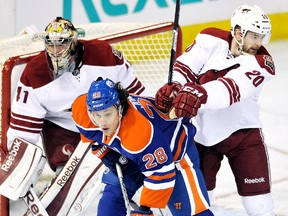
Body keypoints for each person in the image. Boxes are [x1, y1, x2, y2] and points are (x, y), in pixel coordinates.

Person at [4, 17, 147, 213]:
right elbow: (22, 131)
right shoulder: (34, 73)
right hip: (64, 127)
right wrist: (18, 165)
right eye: (51, 45)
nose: (55, 51)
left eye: (61, 44)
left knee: (127, 168)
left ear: (74, 42)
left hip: (107, 122)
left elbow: (138, 97)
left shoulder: (104, 55)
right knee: (69, 187)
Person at [155, 4, 275, 216]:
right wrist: (175, 86)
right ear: (239, 32)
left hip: (243, 137)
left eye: (261, 37)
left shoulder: (262, 64)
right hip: (203, 137)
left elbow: (229, 91)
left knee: (259, 207)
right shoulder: (210, 39)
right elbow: (186, 66)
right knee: (200, 200)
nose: (259, 43)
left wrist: (197, 93)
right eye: (254, 36)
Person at [71, 78, 214, 216]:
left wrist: (144, 209)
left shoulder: (138, 133)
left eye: (107, 114)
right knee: (110, 205)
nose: (102, 122)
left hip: (174, 153)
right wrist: (107, 154)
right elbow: (94, 136)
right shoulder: (80, 110)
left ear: (119, 109)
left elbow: (162, 172)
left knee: (193, 213)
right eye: (97, 115)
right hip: (135, 155)